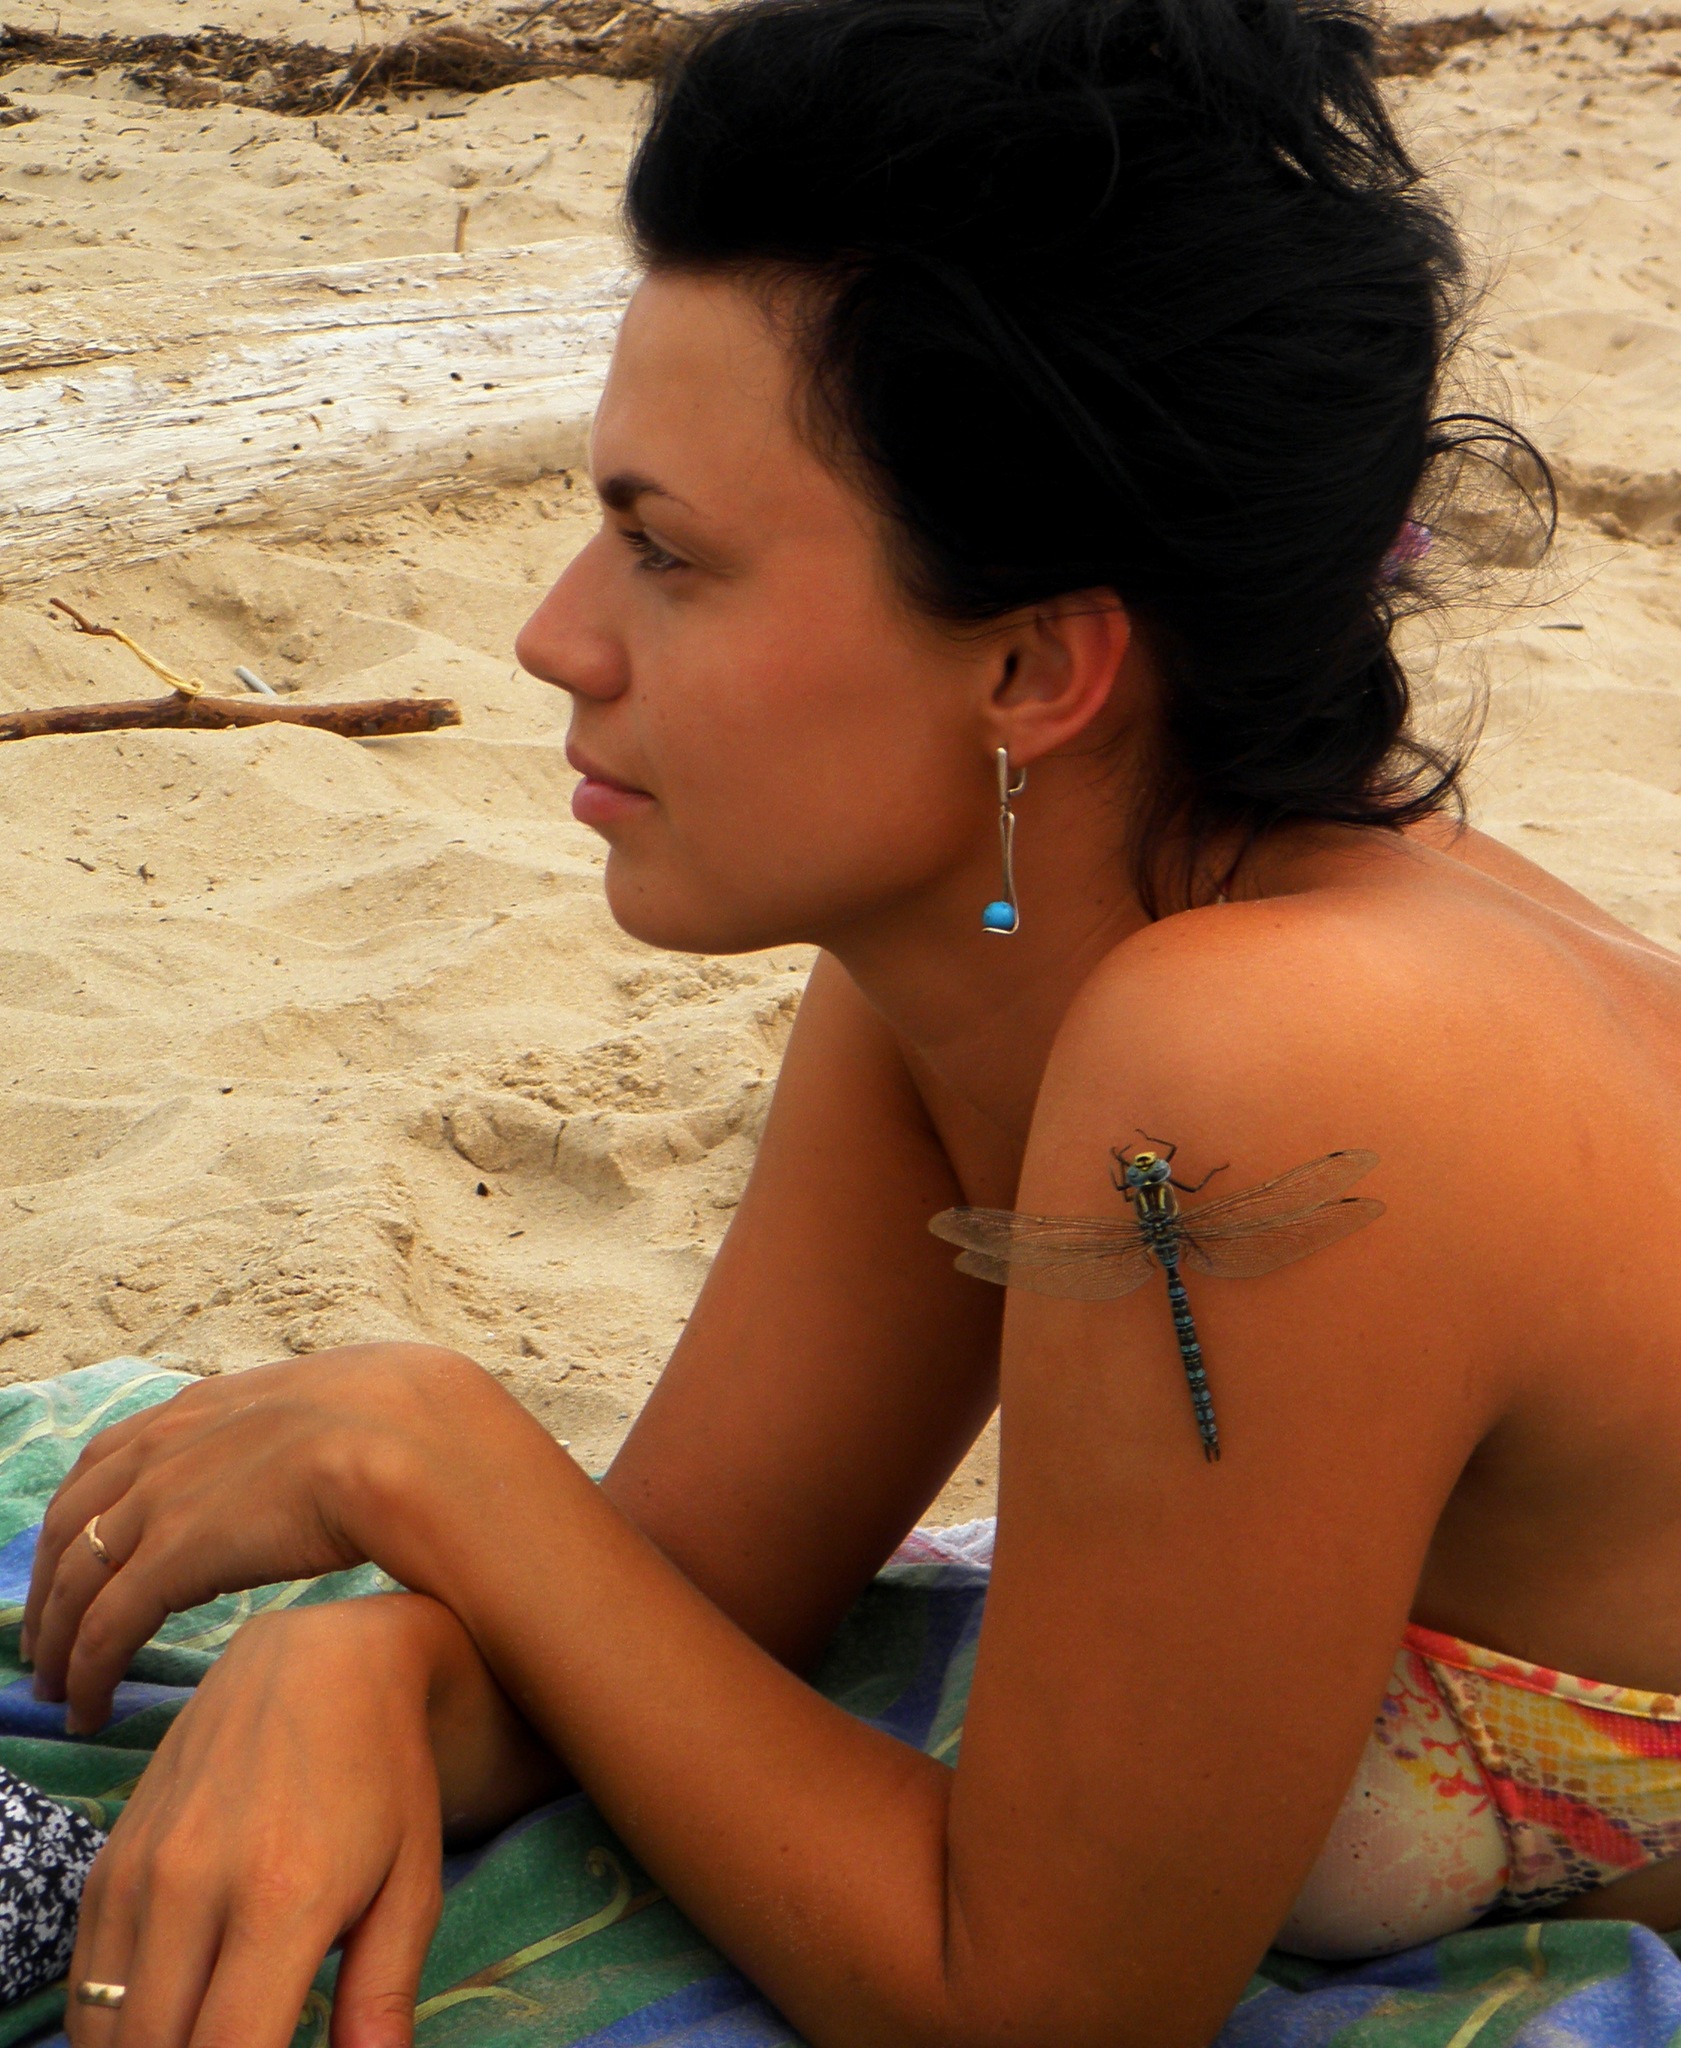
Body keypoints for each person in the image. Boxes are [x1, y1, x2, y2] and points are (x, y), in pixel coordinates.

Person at [17, 0, 1681, 2039]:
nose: (553, 636)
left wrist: (434, 1457)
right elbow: (679, 1602)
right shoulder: (978, 955)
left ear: (1031, 670)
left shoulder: (1272, 1059)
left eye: (666, 552)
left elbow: (1045, 2011)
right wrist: (365, 1660)